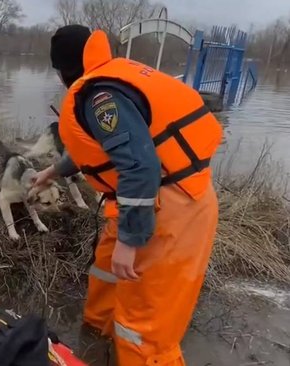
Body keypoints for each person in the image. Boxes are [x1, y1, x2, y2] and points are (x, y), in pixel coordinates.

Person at [32, 25, 223, 365]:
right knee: (106, 277)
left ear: (63, 70)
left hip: (173, 208)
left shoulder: (100, 96)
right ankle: (96, 346)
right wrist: (56, 171)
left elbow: (140, 166)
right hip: (147, 200)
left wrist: (130, 240)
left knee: (144, 327)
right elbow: (103, 148)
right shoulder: (107, 79)